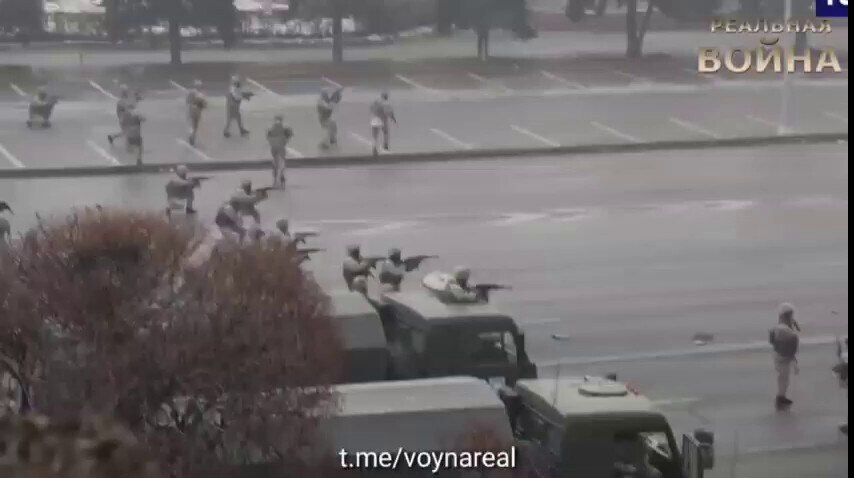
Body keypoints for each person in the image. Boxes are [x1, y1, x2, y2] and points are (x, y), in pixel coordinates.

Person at [769, 303, 800, 409]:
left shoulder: (781, 325)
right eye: (791, 314)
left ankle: (781, 397)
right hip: (782, 356)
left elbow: (772, 340)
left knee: (783, 379)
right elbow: (793, 338)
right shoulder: (783, 328)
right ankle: (780, 399)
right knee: (783, 378)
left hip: (781, 354)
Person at [267, 115, 293, 190]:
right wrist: (285, 141)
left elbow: (268, 137)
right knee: (281, 161)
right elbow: (289, 135)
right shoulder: (285, 128)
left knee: (275, 162)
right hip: (280, 146)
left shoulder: (271, 128)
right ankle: (280, 176)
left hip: (274, 147)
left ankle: (276, 180)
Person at [370, 91, 397, 156]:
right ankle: (385, 145)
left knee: (374, 136)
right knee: (386, 132)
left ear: (381, 96)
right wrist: (394, 120)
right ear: (387, 97)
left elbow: (371, 108)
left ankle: (374, 148)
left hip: (374, 119)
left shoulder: (376, 102)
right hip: (383, 120)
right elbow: (390, 113)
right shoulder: (387, 104)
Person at [185, 80, 207, 146]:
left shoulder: (191, 92)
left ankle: (191, 136)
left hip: (191, 110)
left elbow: (187, 101)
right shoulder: (201, 94)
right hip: (197, 111)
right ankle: (192, 137)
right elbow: (204, 105)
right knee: (195, 126)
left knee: (192, 125)